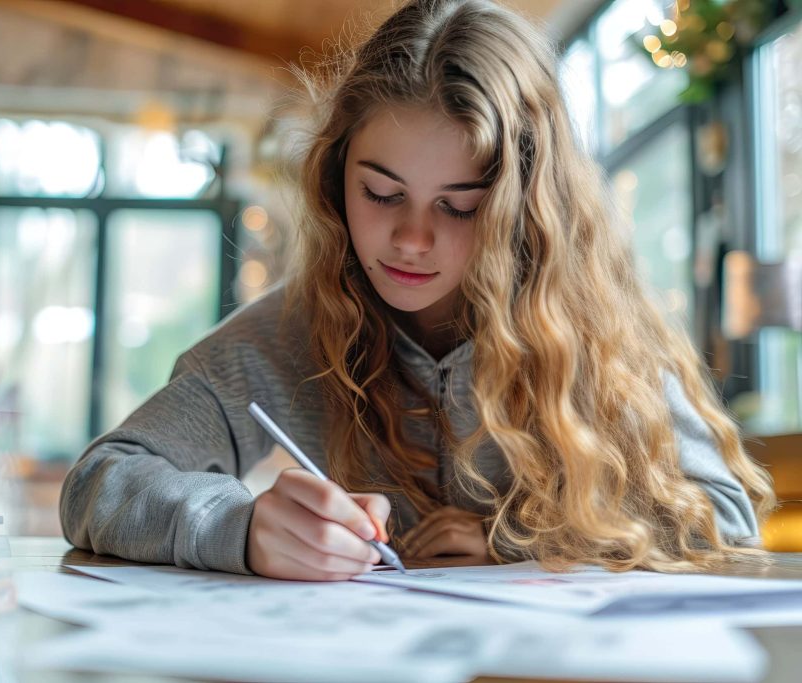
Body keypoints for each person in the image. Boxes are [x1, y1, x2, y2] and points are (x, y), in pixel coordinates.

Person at [59, 0, 774, 581]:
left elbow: (722, 515)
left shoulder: (592, 328)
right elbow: (100, 479)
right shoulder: (295, 329)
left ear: (524, 211)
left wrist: (516, 538)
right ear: (337, 178)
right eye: (380, 192)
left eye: (459, 206)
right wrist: (237, 527)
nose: (410, 239)